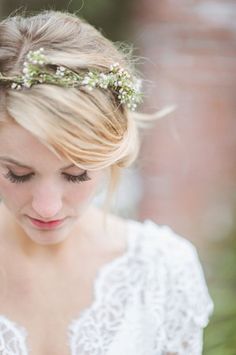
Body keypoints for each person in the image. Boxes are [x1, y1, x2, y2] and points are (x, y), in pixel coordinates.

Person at [0, 9, 214, 355]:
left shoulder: (162, 271)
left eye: (76, 174)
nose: (47, 206)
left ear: (112, 155)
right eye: (18, 174)